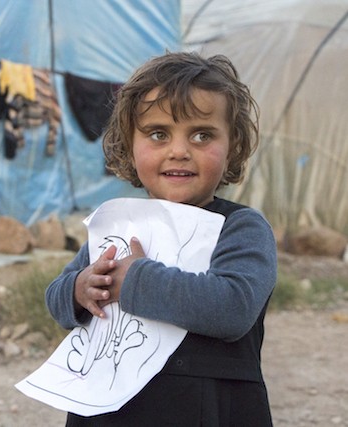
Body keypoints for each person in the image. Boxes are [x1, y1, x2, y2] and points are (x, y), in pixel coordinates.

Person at [45, 51, 277, 426]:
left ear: (233, 145)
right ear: (129, 143)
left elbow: (233, 309)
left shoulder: (240, 228)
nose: (179, 151)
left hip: (208, 410)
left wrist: (137, 280)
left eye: (202, 135)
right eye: (158, 134)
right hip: (111, 412)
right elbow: (56, 298)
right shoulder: (118, 223)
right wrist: (80, 288)